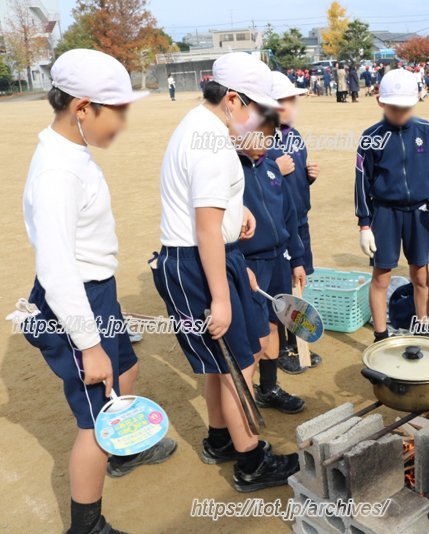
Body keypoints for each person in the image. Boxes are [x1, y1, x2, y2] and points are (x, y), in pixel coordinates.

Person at [22, 49, 176, 534]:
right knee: (94, 420)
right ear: (82, 108)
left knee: (126, 366)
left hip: (98, 292)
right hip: (75, 302)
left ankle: (126, 451)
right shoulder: (57, 171)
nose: (122, 124)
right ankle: (87, 526)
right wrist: (88, 342)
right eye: (118, 112)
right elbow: (55, 266)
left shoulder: (73, 151)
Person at [150, 52, 299, 491]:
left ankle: (220, 438)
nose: (261, 124)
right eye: (259, 112)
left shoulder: (202, 125)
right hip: (198, 261)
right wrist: (219, 298)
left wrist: (240, 210)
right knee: (240, 362)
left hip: (203, 255)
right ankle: (252, 461)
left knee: (220, 362)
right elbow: (207, 228)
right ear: (233, 100)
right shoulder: (213, 144)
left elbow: (211, 208)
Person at [355, 68, 429, 343]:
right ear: (381, 103)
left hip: (419, 213)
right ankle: (381, 336)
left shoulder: (426, 130)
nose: (401, 113)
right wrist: (364, 224)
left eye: (406, 107)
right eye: (394, 107)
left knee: (420, 274)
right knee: (382, 276)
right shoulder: (371, 136)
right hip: (385, 214)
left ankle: (423, 328)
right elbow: (362, 181)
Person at [237, 110, 307, 414]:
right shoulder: (229, 171)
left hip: (279, 259)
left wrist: (297, 260)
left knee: (275, 321)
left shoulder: (272, 167)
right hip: (250, 263)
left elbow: (289, 217)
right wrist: (240, 267)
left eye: (269, 137)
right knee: (254, 334)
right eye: (259, 137)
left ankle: (269, 388)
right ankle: (243, 401)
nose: (266, 144)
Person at [266, 73, 322, 373]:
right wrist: (275, 168)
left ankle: (295, 337)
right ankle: (285, 346)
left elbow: (295, 185)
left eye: (293, 99)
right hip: (278, 226)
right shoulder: (261, 141)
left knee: (299, 281)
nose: (292, 105)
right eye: (285, 100)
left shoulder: (295, 135)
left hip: (300, 220)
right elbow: (255, 185)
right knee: (283, 286)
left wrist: (307, 175)